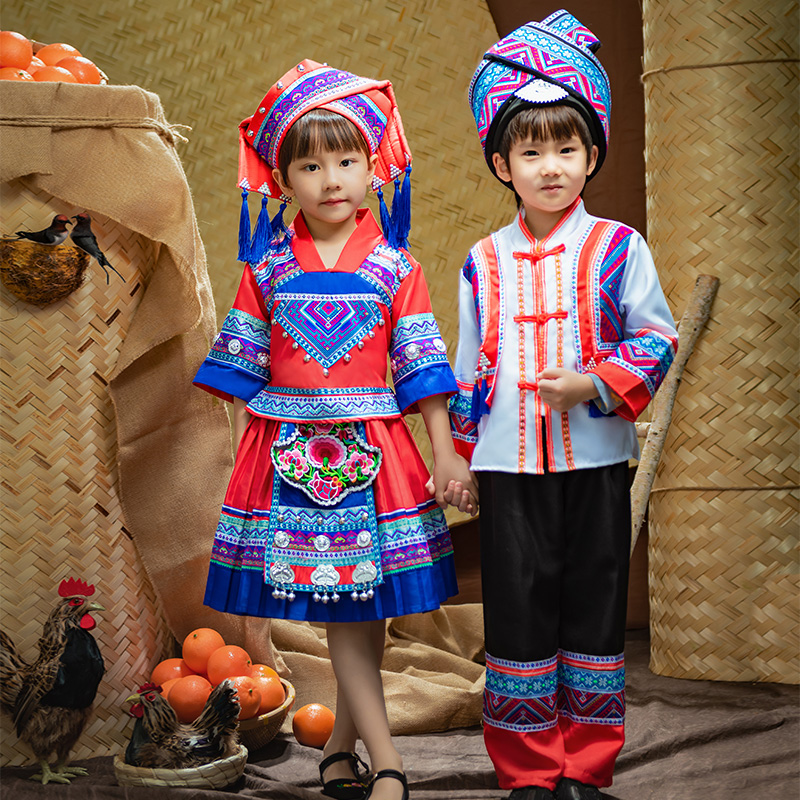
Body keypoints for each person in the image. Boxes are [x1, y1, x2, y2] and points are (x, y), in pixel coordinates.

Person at [193, 60, 477, 800]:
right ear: (282, 176)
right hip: (284, 457)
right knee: (349, 611)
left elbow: (420, 366)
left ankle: (353, 751)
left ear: (372, 168)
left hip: (376, 452)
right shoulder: (266, 268)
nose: (331, 179)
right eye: (310, 164)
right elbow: (238, 371)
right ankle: (383, 759)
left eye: (347, 160)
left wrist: (446, 452)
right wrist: (229, 464)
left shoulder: (394, 266)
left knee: (363, 606)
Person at [447, 12, 679, 800]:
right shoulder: (481, 261)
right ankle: (528, 772)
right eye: (531, 150)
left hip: (597, 459)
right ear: (501, 162)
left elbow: (656, 339)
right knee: (517, 610)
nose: (551, 166)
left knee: (595, 605)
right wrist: (463, 453)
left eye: (568, 148)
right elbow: (467, 365)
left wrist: (591, 384)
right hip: (509, 463)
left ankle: (586, 765)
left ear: (591, 155)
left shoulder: (619, 246)